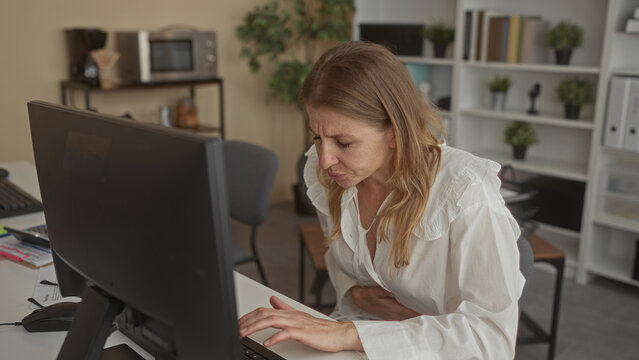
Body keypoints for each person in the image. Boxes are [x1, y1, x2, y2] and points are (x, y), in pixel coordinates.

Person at [239, 41, 525, 359]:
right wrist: (356, 297)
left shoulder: (464, 192)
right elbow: (343, 266)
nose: (324, 159)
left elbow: (492, 340)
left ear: (394, 133)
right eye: (317, 137)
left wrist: (351, 333)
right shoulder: (334, 176)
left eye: (344, 142)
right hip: (354, 342)